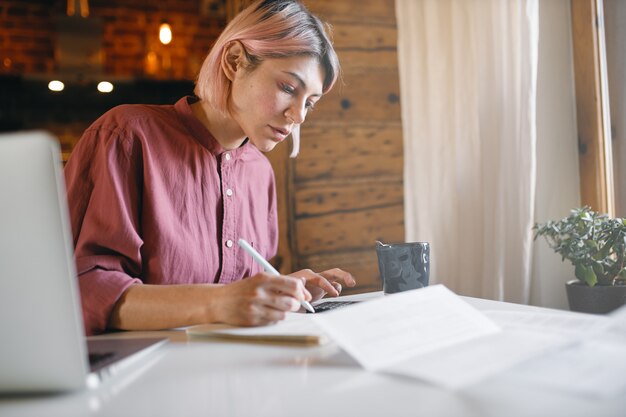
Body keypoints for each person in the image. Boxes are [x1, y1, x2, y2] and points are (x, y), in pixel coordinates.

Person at [64, 0, 356, 336]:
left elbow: (236, 296)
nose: (299, 115)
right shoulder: (127, 136)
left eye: (310, 102)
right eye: (288, 88)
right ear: (234, 62)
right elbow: (83, 289)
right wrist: (217, 302)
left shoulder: (260, 173)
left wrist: (278, 292)